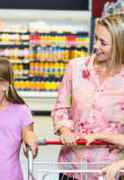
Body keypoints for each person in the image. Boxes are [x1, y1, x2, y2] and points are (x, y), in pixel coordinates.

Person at [51, 13, 124, 180]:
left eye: (103, 43)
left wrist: (98, 136)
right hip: (73, 165)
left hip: (110, 170)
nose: (96, 46)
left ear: (120, 45)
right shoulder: (76, 67)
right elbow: (61, 108)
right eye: (96, 38)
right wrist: (65, 130)